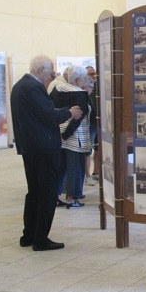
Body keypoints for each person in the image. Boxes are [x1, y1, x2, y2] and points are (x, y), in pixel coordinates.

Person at [10, 54, 82, 251]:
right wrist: (70, 112)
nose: (51, 76)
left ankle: (29, 235)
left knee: (34, 192)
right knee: (47, 193)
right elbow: (49, 116)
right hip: (43, 149)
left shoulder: (19, 86)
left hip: (30, 148)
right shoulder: (32, 87)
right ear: (40, 70)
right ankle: (40, 238)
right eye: (50, 73)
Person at [50, 66, 91, 209]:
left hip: (58, 135)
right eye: (85, 78)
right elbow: (78, 118)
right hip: (75, 138)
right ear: (78, 79)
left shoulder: (57, 89)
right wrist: (66, 135)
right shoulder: (80, 93)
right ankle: (72, 198)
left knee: (59, 168)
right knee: (76, 168)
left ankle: (54, 197)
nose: (86, 81)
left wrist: (61, 135)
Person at [84, 66, 99, 185]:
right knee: (88, 150)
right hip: (90, 124)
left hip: (99, 123)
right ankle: (87, 175)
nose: (93, 75)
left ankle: (96, 172)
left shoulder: (98, 86)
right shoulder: (84, 88)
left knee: (98, 148)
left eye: (94, 73)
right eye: (91, 73)